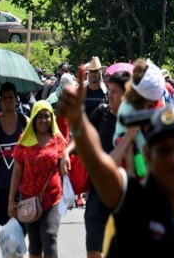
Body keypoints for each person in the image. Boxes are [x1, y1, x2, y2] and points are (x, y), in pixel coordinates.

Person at [57, 66, 174, 258]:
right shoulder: (132, 200)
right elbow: (99, 167)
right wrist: (78, 121)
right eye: (164, 150)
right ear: (147, 154)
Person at [63, 70, 129, 258]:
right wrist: (67, 152)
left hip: (125, 192)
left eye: (116, 91)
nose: (110, 95)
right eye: (110, 90)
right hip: (98, 188)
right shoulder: (102, 112)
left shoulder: (133, 121)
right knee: (93, 240)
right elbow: (82, 137)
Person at [8, 100, 66, 258]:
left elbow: (65, 167)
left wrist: (70, 193)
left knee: (49, 235)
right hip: (28, 199)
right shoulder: (24, 140)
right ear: (33, 118)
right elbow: (17, 172)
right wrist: (11, 200)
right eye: (39, 117)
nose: (43, 120)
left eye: (47, 116)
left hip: (52, 199)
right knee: (35, 245)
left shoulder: (57, 139)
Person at [0, 82, 27, 229]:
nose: (8, 101)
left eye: (10, 98)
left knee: (21, 226)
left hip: (22, 185)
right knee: (3, 226)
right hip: (1, 184)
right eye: (4, 98)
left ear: (16, 100)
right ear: (0, 101)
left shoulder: (24, 122)